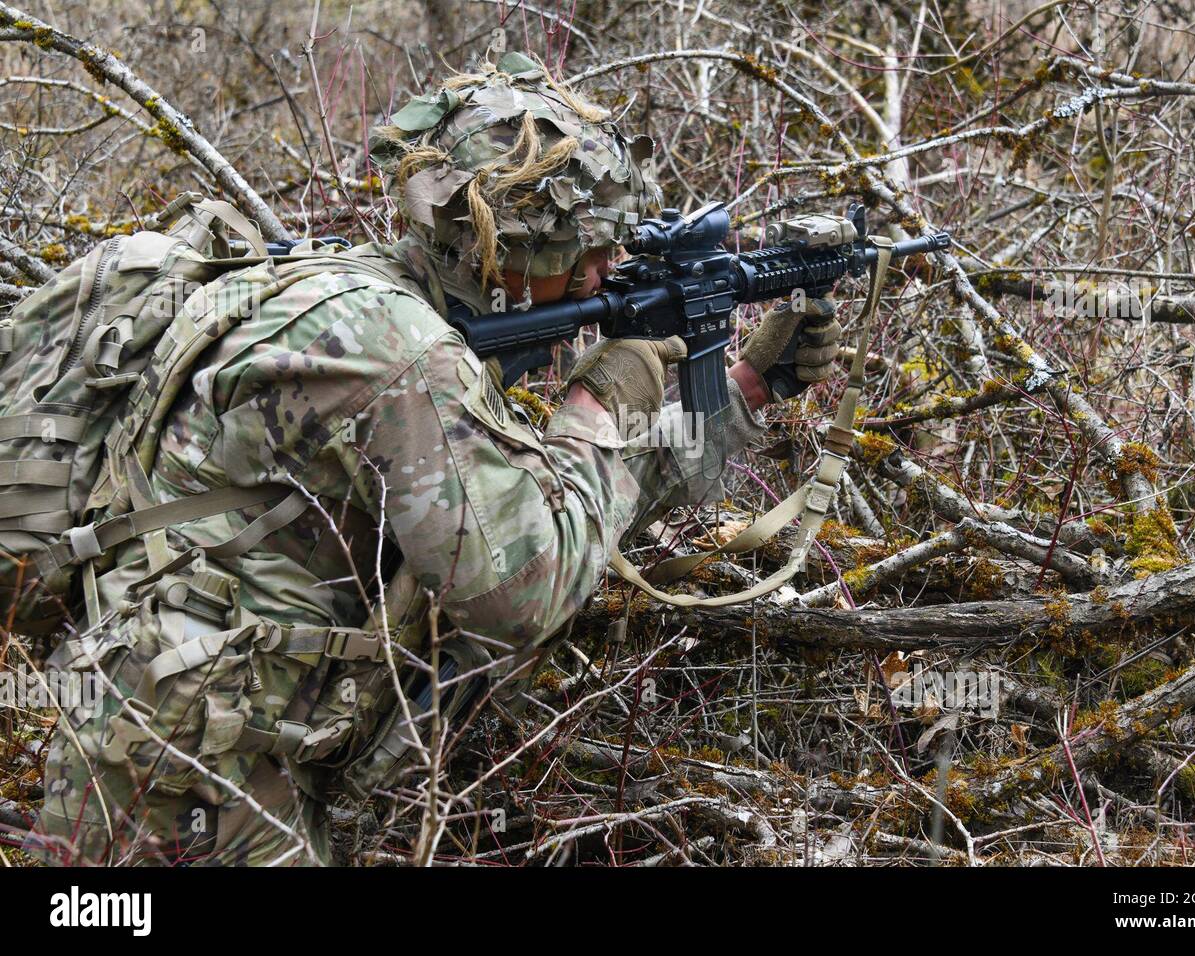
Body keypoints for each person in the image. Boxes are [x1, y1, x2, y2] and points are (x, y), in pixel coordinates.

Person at [35, 51, 843, 865]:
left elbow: (556, 501)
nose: (607, 273)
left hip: (187, 733)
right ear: (510, 255)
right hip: (188, 779)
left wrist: (740, 391)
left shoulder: (373, 296)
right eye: (587, 253)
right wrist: (601, 401)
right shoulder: (402, 354)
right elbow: (523, 587)